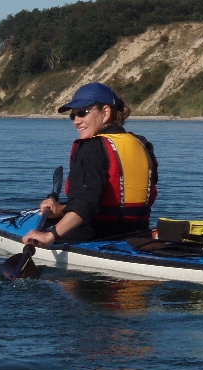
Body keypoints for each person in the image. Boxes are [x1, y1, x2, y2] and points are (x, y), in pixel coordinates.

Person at [21, 82, 158, 247]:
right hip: (137, 234)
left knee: (44, 228)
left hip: (94, 235)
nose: (76, 121)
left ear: (105, 112)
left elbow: (85, 205)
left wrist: (49, 236)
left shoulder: (90, 148)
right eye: (73, 116)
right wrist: (61, 209)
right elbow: (102, 201)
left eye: (82, 113)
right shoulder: (142, 144)